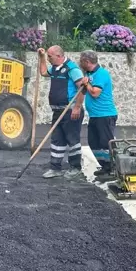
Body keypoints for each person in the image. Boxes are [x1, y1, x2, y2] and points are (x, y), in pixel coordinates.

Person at [37, 45, 86, 179]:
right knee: (57, 140)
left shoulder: (72, 69)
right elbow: (43, 72)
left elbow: (83, 88)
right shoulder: (54, 68)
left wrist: (77, 107)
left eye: (50, 56)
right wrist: (41, 58)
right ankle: (55, 168)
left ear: (59, 56)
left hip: (70, 111)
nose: (48, 59)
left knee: (72, 140)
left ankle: (75, 168)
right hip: (58, 111)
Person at [78, 50, 118, 179]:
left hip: (105, 114)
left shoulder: (101, 74)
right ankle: (104, 166)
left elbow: (95, 93)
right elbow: (86, 90)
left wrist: (87, 83)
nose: (80, 63)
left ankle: (112, 169)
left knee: (105, 143)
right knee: (93, 142)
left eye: (81, 61)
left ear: (87, 62)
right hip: (95, 115)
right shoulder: (89, 74)